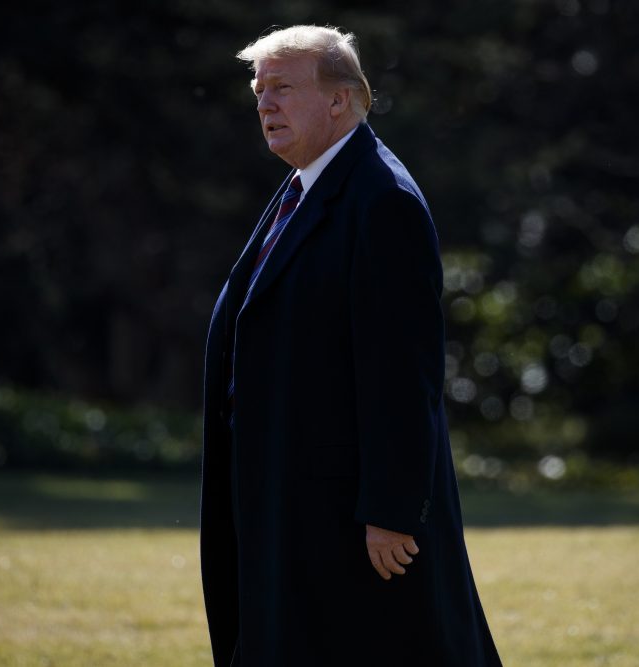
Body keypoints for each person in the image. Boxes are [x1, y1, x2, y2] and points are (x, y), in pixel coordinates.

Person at [199, 25, 503, 667]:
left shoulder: (382, 200)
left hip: (345, 517)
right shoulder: (305, 186)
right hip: (287, 497)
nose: (264, 104)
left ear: (340, 99)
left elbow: (404, 373)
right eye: (259, 91)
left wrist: (391, 509)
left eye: (283, 88)